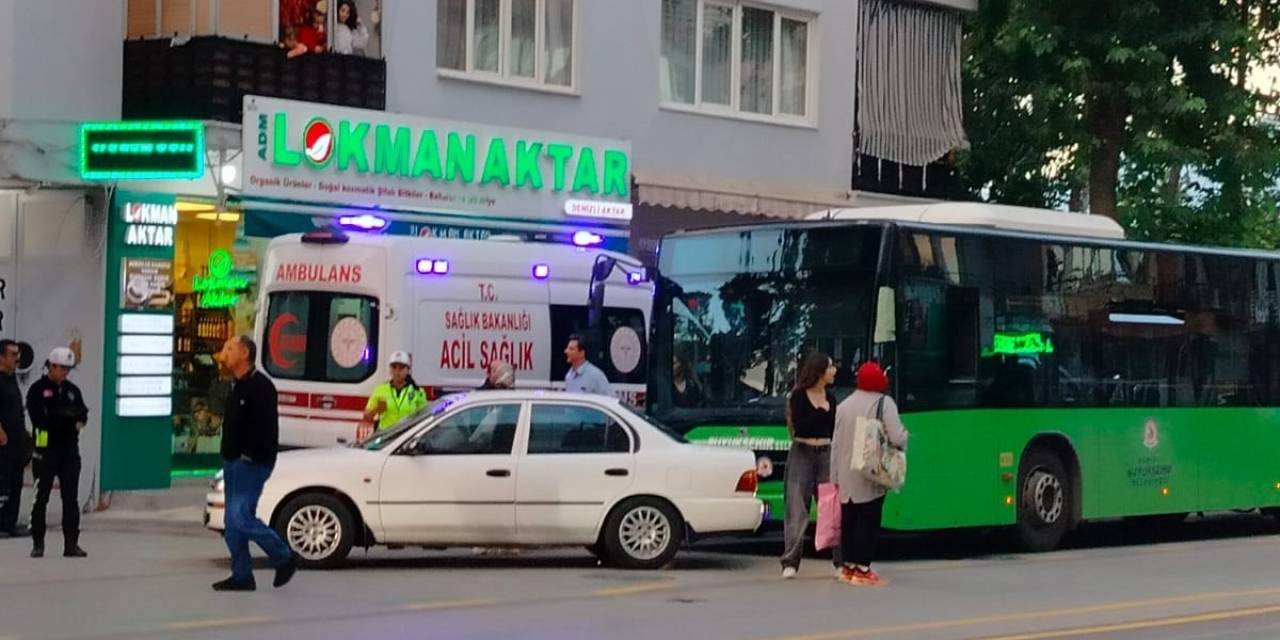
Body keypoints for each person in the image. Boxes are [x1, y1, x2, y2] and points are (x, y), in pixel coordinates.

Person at [213, 336, 297, 592]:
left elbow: (266, 429)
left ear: (245, 353)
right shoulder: (235, 385)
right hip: (233, 461)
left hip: (251, 463)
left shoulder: (261, 387)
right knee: (232, 524)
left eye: (230, 349)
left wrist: (252, 455)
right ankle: (242, 575)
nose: (224, 353)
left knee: (240, 517)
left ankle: (284, 556)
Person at [830, 361, 908, 587]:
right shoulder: (885, 403)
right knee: (869, 519)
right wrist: (905, 436)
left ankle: (848, 566)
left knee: (849, 519)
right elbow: (895, 437)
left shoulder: (844, 406)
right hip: (871, 471)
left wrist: (834, 476)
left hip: (846, 473)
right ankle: (863, 568)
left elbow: (835, 444)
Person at [780, 352, 840, 579]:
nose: (834, 371)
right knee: (796, 507)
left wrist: (823, 413)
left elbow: (832, 427)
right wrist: (821, 412)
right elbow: (802, 425)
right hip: (802, 452)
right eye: (830, 367)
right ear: (819, 371)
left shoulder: (832, 398)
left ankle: (839, 562)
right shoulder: (798, 396)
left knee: (832, 508)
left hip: (826, 452)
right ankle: (791, 561)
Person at [27, 347, 89, 558]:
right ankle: (38, 543)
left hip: (69, 451)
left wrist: (70, 418)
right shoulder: (38, 390)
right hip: (46, 451)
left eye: (68, 369)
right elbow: (41, 419)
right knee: (41, 498)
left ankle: (71, 544)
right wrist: (65, 418)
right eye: (62, 368)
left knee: (70, 498)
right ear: (52, 366)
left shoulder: (72, 390)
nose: (65, 373)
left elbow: (82, 415)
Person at [0, 339, 30, 538]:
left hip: (17, 440)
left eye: (17, 354)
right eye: (12, 354)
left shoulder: (11, 379)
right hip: (3, 440)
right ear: (1, 357)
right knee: (2, 482)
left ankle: (10, 522)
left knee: (16, 481)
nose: (16, 359)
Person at [363, 352, 428, 432]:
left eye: (401, 367)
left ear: (408, 370)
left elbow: (424, 417)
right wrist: (376, 410)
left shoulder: (417, 392)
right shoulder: (380, 390)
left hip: (407, 435)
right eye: (394, 367)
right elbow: (366, 417)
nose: (397, 371)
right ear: (390, 369)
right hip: (386, 435)